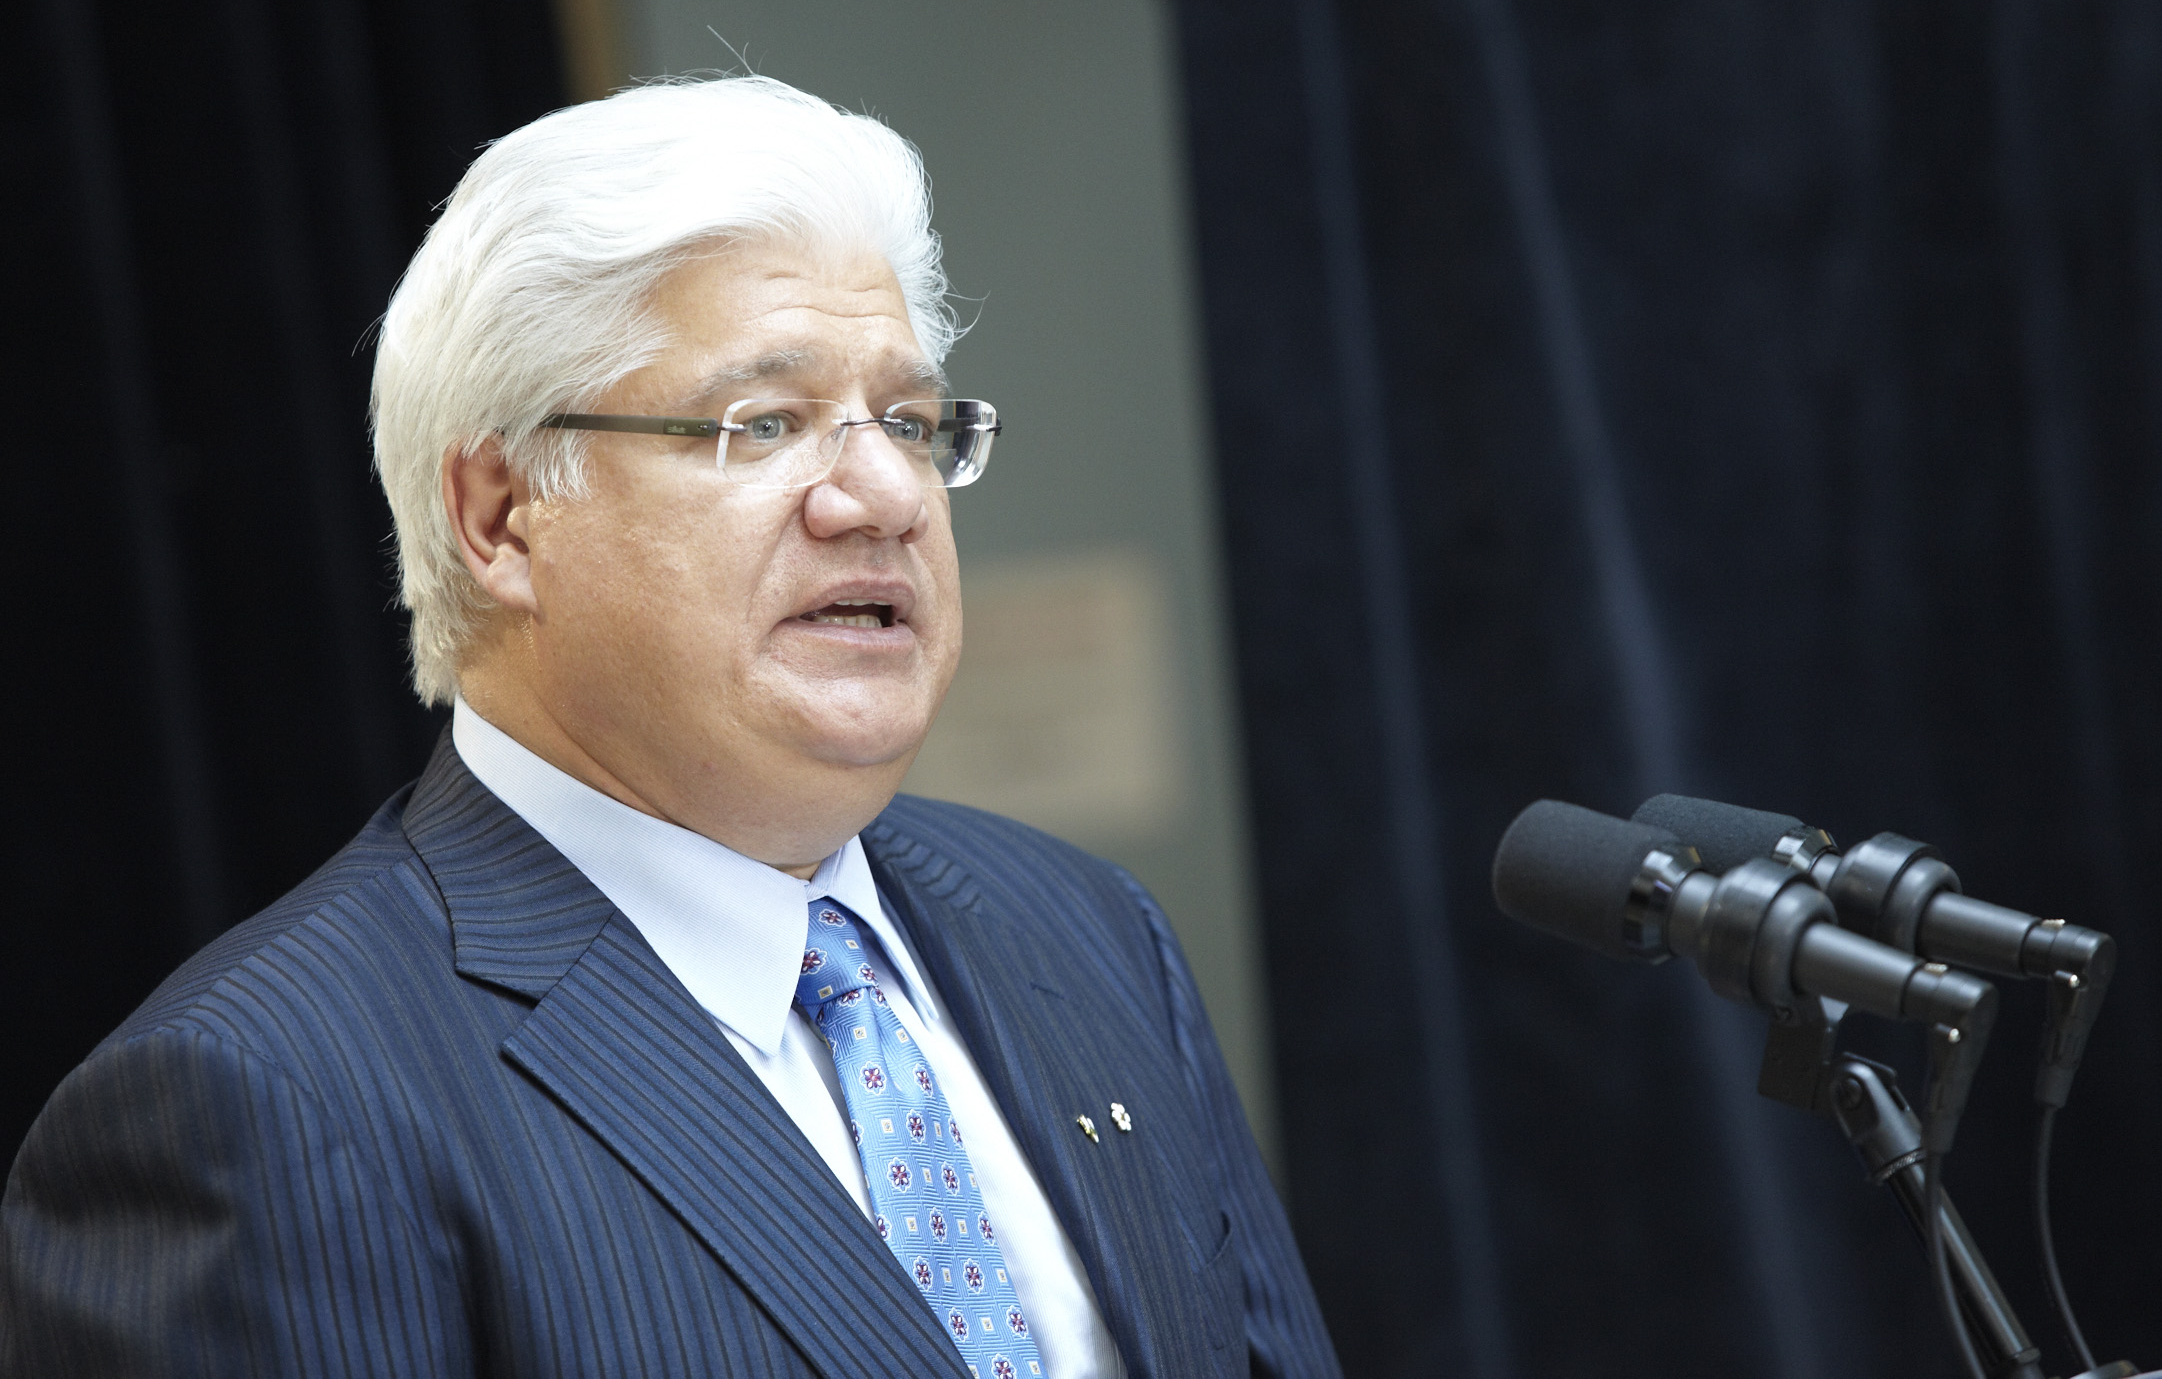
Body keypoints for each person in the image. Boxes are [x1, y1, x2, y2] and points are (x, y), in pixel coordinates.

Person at [0, 76, 1339, 1379]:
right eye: (763, 423)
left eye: (912, 420)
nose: (880, 491)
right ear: (500, 515)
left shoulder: (1083, 930)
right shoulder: (263, 1102)